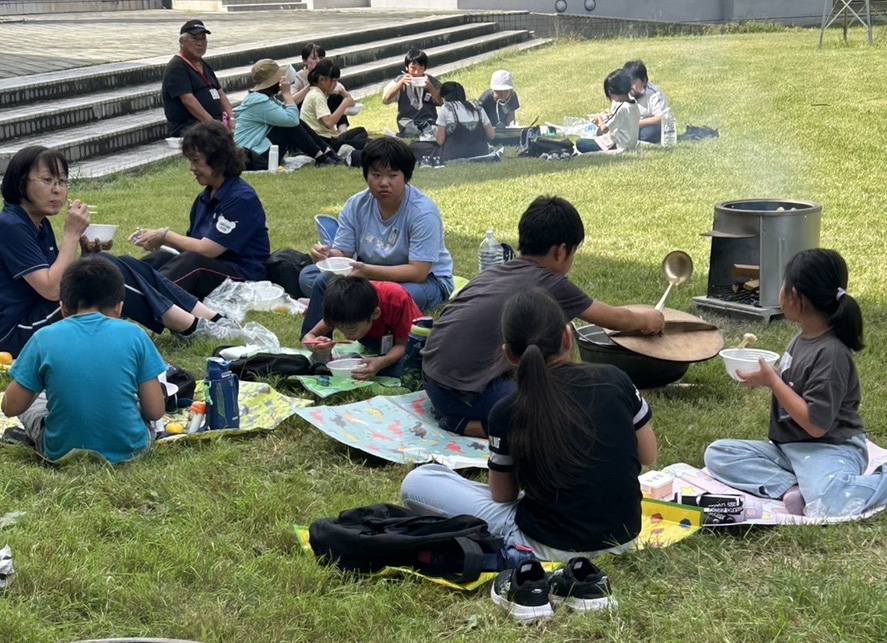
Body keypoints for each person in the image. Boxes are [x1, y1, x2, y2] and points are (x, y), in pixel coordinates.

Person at [401, 288, 658, 562]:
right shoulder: (615, 379)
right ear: (568, 338)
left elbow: (503, 496)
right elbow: (649, 455)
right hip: (624, 537)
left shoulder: (507, 411)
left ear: (509, 355)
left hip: (547, 545)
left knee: (420, 481)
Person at [421, 195, 664, 438]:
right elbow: (617, 320)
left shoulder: (498, 271)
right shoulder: (552, 283)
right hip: (461, 395)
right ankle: (466, 425)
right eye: (573, 252)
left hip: (431, 376)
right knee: (560, 411)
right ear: (560, 252)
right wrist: (648, 320)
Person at [704, 249, 887, 519]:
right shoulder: (802, 340)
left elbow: (816, 426)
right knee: (719, 454)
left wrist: (774, 383)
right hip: (790, 448)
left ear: (795, 297)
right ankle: (792, 488)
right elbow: (791, 382)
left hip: (830, 448)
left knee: (829, 502)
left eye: (782, 284)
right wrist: (762, 377)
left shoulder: (831, 355)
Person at [0, 146, 228, 358]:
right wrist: (71, 234)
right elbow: (51, 289)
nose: (58, 190)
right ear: (20, 184)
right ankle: (190, 327)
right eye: (48, 180)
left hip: (38, 315)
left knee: (116, 262)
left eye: (62, 181)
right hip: (18, 333)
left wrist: (86, 257)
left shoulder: (37, 222)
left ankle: (209, 317)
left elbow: (57, 279)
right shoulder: (11, 225)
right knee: (104, 269)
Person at [1, 257, 167, 464]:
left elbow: (10, 407)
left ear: (62, 309)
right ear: (119, 308)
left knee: (38, 403)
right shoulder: (135, 335)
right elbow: (155, 410)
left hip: (59, 451)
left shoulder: (43, 338)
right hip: (132, 450)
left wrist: (33, 377)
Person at [299, 137, 454, 337]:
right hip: (369, 275)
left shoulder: (423, 213)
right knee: (317, 278)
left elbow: (418, 272)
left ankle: (369, 335)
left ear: (405, 177)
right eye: (376, 174)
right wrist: (327, 255)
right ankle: (315, 345)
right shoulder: (357, 205)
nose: (383, 183)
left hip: (426, 282)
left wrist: (368, 273)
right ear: (366, 175)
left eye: (392, 175)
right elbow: (344, 253)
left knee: (392, 296)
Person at [132, 121, 271, 300]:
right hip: (210, 266)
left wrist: (165, 235)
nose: (192, 168)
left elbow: (207, 251)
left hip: (243, 276)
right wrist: (156, 241)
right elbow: (192, 244)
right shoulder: (205, 198)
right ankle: (121, 289)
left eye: (196, 161)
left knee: (193, 263)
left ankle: (143, 301)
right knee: (161, 257)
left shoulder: (241, 199)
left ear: (218, 159)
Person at [234, 59, 344, 170]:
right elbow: (292, 120)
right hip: (253, 157)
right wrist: (287, 94)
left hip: (259, 151)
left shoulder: (263, 98)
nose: (282, 81)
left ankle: (328, 153)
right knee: (289, 126)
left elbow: (290, 114)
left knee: (294, 122)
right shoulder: (258, 102)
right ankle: (323, 159)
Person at [303, 275, 421, 379]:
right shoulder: (344, 308)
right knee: (323, 278)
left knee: (410, 370)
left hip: (400, 343)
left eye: (352, 331)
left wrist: (382, 362)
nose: (348, 336)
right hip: (374, 339)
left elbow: (404, 344)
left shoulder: (397, 299)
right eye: (340, 329)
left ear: (375, 314)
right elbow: (309, 336)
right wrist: (313, 344)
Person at [162, 20, 235, 138]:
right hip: (191, 126)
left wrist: (231, 118)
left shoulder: (203, 64)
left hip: (213, 124)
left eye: (203, 39)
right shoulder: (177, 66)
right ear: (182, 42)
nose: (200, 43)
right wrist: (212, 124)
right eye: (195, 39)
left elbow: (221, 94)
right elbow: (188, 100)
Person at [410, 81, 495, 162]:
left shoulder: (447, 107)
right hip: (480, 151)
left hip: (453, 153)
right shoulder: (477, 107)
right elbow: (491, 135)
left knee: (415, 146)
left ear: (443, 97)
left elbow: (440, 141)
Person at [300, 59, 368, 157]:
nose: (336, 84)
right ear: (322, 80)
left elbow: (351, 101)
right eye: (333, 81)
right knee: (367, 144)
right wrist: (344, 104)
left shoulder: (319, 93)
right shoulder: (317, 96)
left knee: (360, 131)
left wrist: (343, 94)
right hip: (323, 141)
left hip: (328, 137)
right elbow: (328, 123)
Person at [289, 43, 351, 132]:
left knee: (336, 98)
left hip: (322, 107)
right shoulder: (298, 77)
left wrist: (343, 94)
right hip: (306, 112)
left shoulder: (327, 75)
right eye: (314, 58)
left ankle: (343, 132)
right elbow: (291, 101)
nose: (318, 61)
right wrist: (311, 85)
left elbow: (342, 92)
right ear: (305, 61)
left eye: (321, 58)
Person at [381, 49, 442, 138]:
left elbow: (441, 102)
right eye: (413, 68)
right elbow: (386, 99)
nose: (417, 73)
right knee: (412, 134)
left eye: (420, 68)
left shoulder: (431, 81)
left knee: (433, 134)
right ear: (407, 67)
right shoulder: (400, 80)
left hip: (429, 121)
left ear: (425, 68)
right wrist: (401, 83)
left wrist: (430, 88)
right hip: (407, 121)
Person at [576, 69, 640, 154]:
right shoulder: (633, 104)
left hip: (619, 144)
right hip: (631, 143)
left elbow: (604, 129)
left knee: (580, 143)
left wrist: (599, 117)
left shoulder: (621, 108)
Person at [623, 60, 671, 145]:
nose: (630, 87)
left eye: (633, 83)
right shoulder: (627, 93)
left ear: (644, 81)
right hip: (634, 124)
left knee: (647, 134)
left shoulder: (654, 95)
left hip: (650, 125)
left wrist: (637, 124)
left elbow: (661, 118)